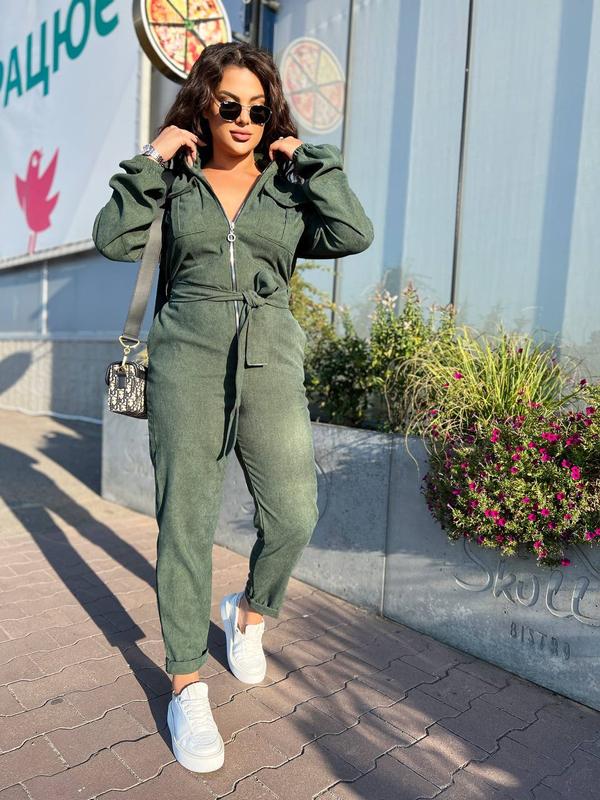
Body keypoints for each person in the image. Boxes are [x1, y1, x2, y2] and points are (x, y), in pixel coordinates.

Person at [92, 41, 374, 773]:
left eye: (257, 106)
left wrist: (308, 159)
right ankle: (186, 682)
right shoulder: (176, 183)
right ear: (205, 106)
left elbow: (353, 232)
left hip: (271, 356)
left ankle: (248, 613)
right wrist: (152, 156)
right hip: (186, 357)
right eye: (229, 105)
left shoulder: (287, 188)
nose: (244, 118)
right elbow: (112, 239)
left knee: (295, 512)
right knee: (185, 521)